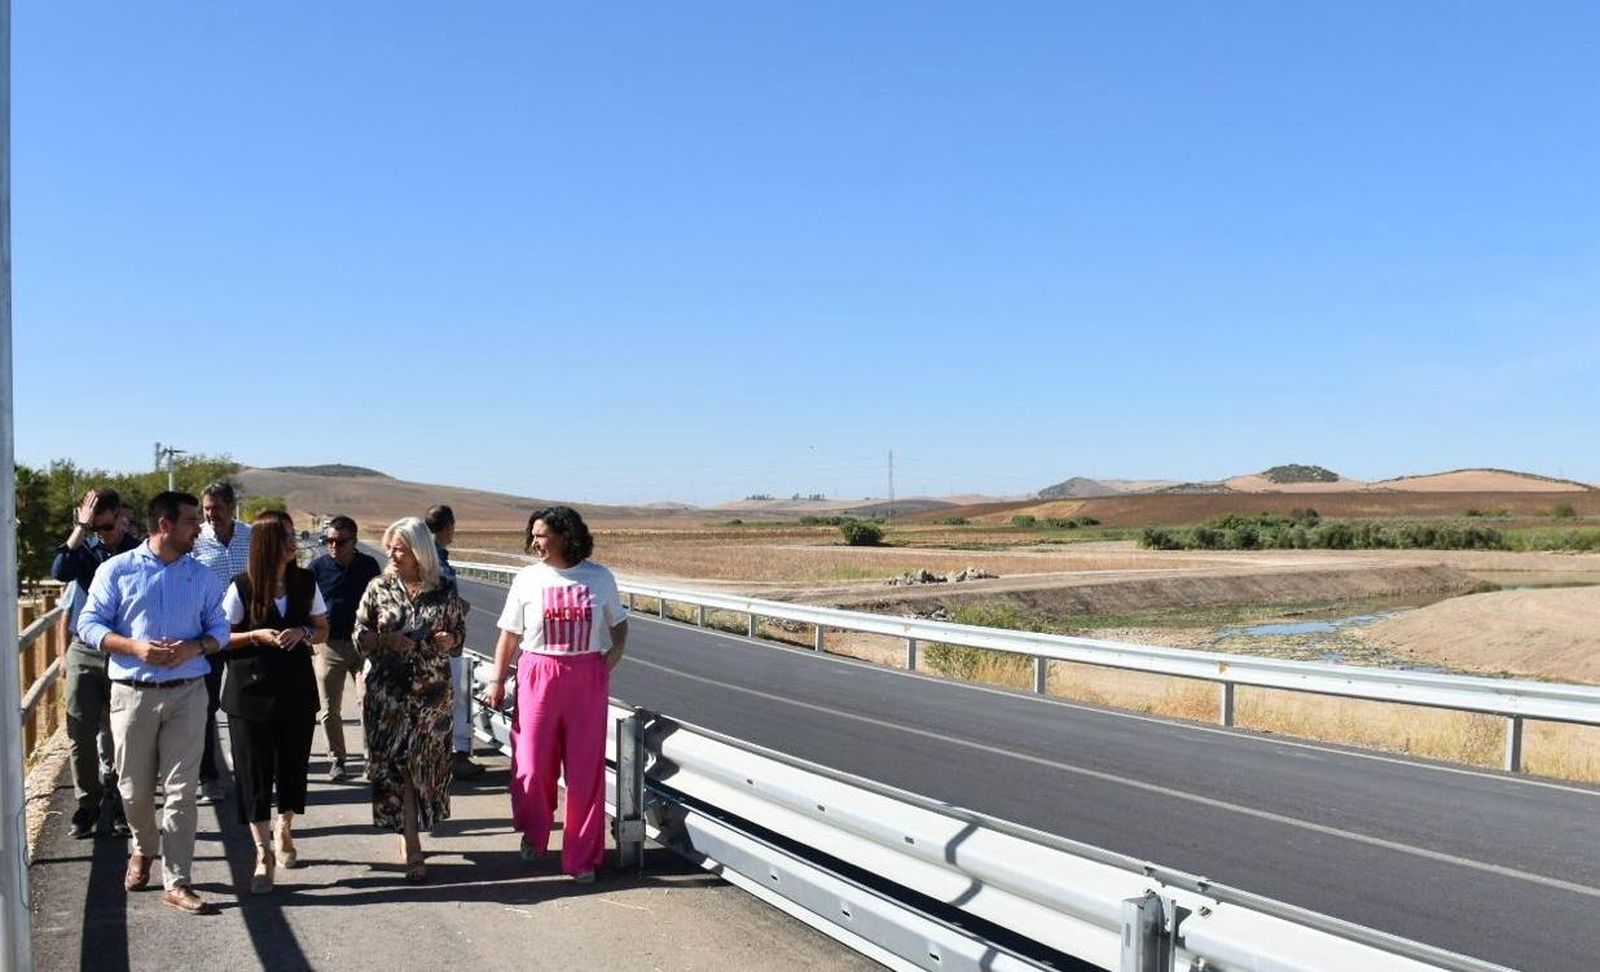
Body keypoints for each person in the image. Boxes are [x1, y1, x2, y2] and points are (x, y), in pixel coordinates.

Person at [78, 491, 231, 915]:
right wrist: (132, 646)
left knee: (182, 792)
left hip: (188, 694)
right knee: (134, 789)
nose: (198, 528)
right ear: (164, 525)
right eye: (189, 522)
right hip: (132, 693)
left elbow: (220, 628)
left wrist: (194, 646)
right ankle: (144, 847)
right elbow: (87, 623)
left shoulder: (201, 577)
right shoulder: (116, 570)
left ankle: (178, 881)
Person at [485, 506, 628, 883]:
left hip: (585, 676)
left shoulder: (598, 578)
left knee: (584, 773)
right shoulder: (528, 579)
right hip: (537, 675)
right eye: (532, 535)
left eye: (542, 535)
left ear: (566, 536)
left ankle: (582, 857)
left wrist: (609, 659)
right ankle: (535, 831)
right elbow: (509, 635)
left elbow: (620, 623)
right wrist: (498, 681)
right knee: (531, 765)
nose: (535, 542)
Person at [353, 517, 469, 882]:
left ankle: (413, 831)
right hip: (388, 695)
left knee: (423, 768)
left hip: (431, 698)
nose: (391, 553)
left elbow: (459, 639)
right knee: (397, 768)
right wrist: (387, 640)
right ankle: (413, 843)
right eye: (389, 546)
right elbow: (359, 634)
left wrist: (448, 641)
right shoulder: (378, 588)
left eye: (398, 547)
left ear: (419, 551)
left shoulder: (443, 590)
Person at [219, 511, 328, 893]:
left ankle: (285, 827)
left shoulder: (305, 581)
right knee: (253, 773)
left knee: (292, 767)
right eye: (285, 536)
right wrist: (255, 636)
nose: (292, 542)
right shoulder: (241, 587)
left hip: (296, 691)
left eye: (292, 535)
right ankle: (262, 853)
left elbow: (322, 629)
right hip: (248, 695)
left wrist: (302, 631)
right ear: (266, 543)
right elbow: (219, 638)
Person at [50, 488, 139, 839]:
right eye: (95, 527)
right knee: (80, 731)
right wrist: (81, 528)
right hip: (85, 650)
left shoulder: (137, 551)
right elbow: (59, 571)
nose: (101, 533)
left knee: (123, 733)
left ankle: (118, 802)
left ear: (120, 516)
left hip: (124, 650)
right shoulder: (86, 549)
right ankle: (88, 804)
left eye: (105, 525)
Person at [191, 481, 253, 805]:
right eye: (207, 509)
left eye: (217, 508)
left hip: (246, 634)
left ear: (231, 507)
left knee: (246, 705)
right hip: (209, 635)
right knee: (206, 706)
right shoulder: (195, 541)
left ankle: (248, 772)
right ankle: (208, 777)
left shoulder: (251, 536)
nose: (212, 515)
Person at [307, 515, 382, 782]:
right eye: (328, 540)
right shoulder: (316, 568)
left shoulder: (369, 566)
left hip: (364, 645)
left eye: (340, 541)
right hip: (329, 645)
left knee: (368, 701)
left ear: (354, 541)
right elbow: (306, 605)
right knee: (329, 708)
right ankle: (337, 759)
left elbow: (380, 602)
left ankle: (370, 758)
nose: (333, 546)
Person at [425, 504, 482, 779]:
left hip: (445, 640)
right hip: (442, 642)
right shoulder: (431, 560)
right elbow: (436, 598)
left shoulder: (436, 557)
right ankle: (450, 757)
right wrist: (458, 607)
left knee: (449, 699)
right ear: (447, 527)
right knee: (449, 699)